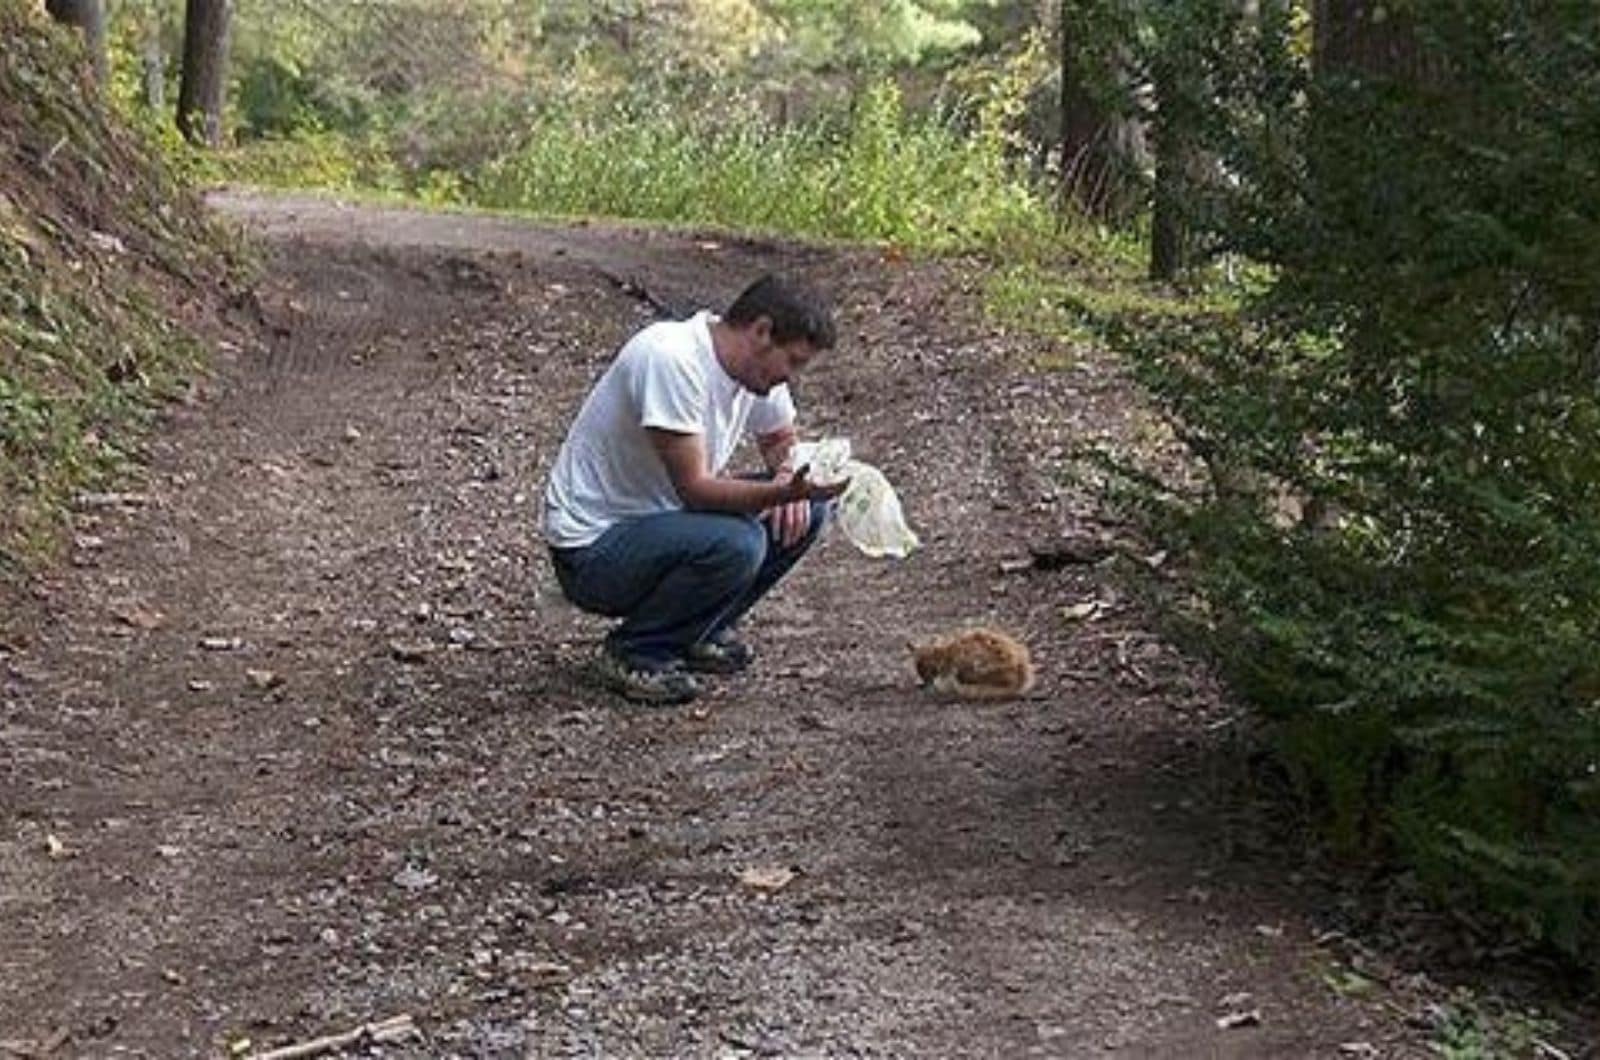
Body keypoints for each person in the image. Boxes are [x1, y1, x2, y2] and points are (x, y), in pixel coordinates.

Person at [543, 273, 848, 704]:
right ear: (761, 332)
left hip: (664, 525)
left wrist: (794, 476)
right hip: (595, 551)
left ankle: (700, 629)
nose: (791, 377)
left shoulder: (755, 375)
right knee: (737, 542)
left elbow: (780, 440)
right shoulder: (672, 358)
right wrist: (784, 492)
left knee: (808, 515)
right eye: (794, 362)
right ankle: (637, 651)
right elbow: (696, 490)